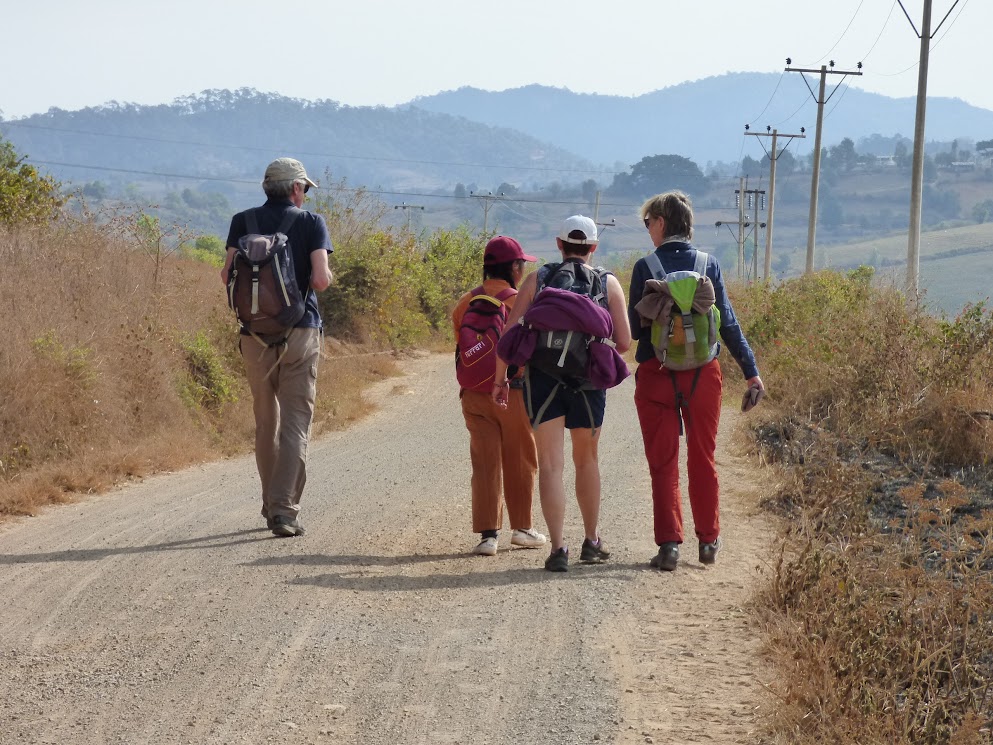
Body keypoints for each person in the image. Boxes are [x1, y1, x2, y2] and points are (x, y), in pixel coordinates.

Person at [628, 191, 765, 571]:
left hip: (656, 375)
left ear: (660, 222)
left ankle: (670, 546)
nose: (647, 230)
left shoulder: (645, 267)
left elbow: (638, 332)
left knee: (663, 462)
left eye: (648, 223)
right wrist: (751, 370)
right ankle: (708, 542)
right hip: (704, 376)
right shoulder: (710, 265)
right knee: (702, 458)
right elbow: (729, 324)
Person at [496, 216, 631, 572]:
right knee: (586, 460)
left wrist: (500, 380)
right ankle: (591, 541)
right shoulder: (607, 281)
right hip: (588, 383)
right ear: (593, 247)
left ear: (558, 245)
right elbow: (625, 341)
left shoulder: (537, 279)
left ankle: (558, 549)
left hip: (542, 380)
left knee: (551, 466)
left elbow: (508, 338)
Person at [221, 157, 333, 537]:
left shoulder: (242, 222)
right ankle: (284, 511)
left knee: (265, 423)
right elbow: (320, 281)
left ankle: (270, 504)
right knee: (295, 424)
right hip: (299, 334)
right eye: (305, 189)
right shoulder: (311, 223)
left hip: (252, 336)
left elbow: (226, 275)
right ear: (297, 188)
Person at [452, 236, 547, 556]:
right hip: (512, 392)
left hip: (473, 396)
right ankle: (522, 528)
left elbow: (462, 348)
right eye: (522, 265)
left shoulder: (464, 303)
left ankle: (488, 535)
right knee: (520, 457)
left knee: (484, 461)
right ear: (515, 268)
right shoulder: (520, 303)